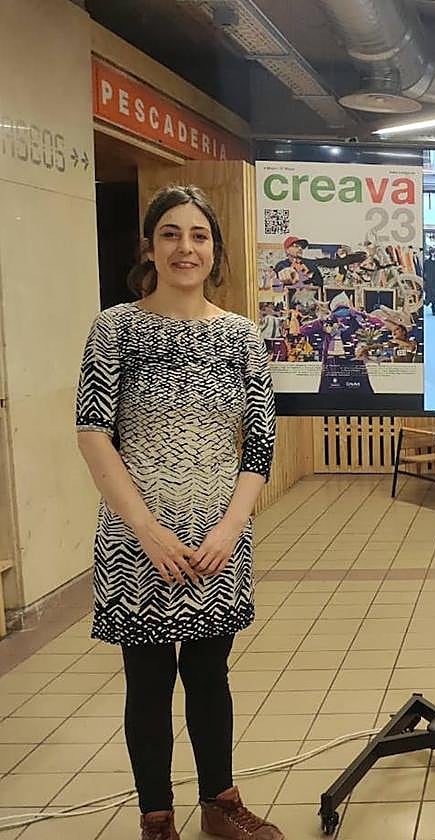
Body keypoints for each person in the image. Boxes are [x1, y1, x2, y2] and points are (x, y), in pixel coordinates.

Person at [75, 185, 282, 840]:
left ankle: (220, 802)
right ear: (150, 247)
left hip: (217, 538)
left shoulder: (241, 336)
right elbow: (92, 432)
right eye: (170, 233)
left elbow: (260, 446)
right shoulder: (116, 328)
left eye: (198, 235)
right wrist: (147, 530)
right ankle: (156, 816)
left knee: (209, 675)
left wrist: (230, 529)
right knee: (148, 683)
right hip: (137, 541)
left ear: (215, 250)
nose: (184, 247)